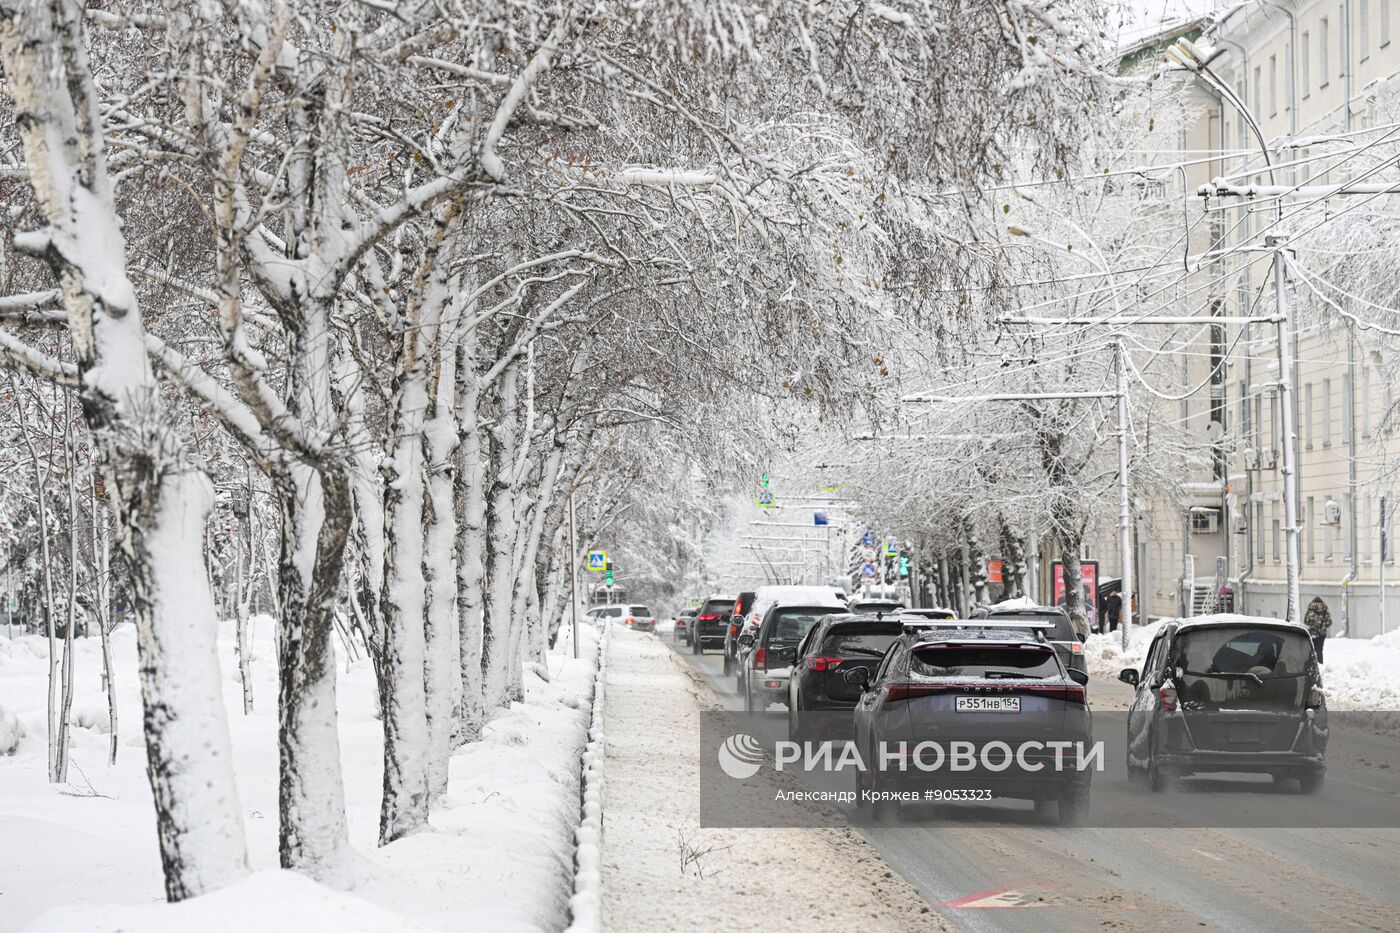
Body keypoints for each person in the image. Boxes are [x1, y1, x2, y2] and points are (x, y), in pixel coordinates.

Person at [1303, 596, 1332, 665]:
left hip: (1312, 632)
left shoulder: (1310, 609)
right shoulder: (1325, 609)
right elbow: (1329, 622)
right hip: (1322, 633)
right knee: (1319, 650)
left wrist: (1313, 625)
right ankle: (1320, 665)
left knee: (1312, 650)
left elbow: (1306, 621)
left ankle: (1312, 665)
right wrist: (1323, 626)